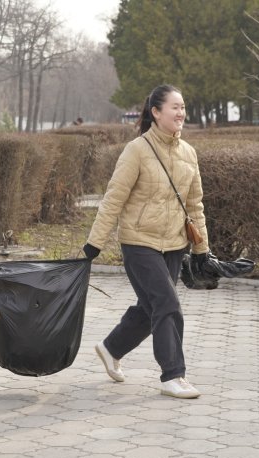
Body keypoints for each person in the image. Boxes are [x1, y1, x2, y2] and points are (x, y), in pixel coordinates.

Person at [82, 84, 209, 399]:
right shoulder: (136, 150)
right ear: (156, 112)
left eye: (182, 107)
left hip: (175, 243)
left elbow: (195, 206)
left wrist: (202, 248)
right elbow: (113, 199)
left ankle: (111, 349)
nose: (180, 113)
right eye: (174, 107)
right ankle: (173, 375)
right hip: (139, 243)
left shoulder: (189, 153)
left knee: (149, 308)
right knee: (167, 304)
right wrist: (94, 244)